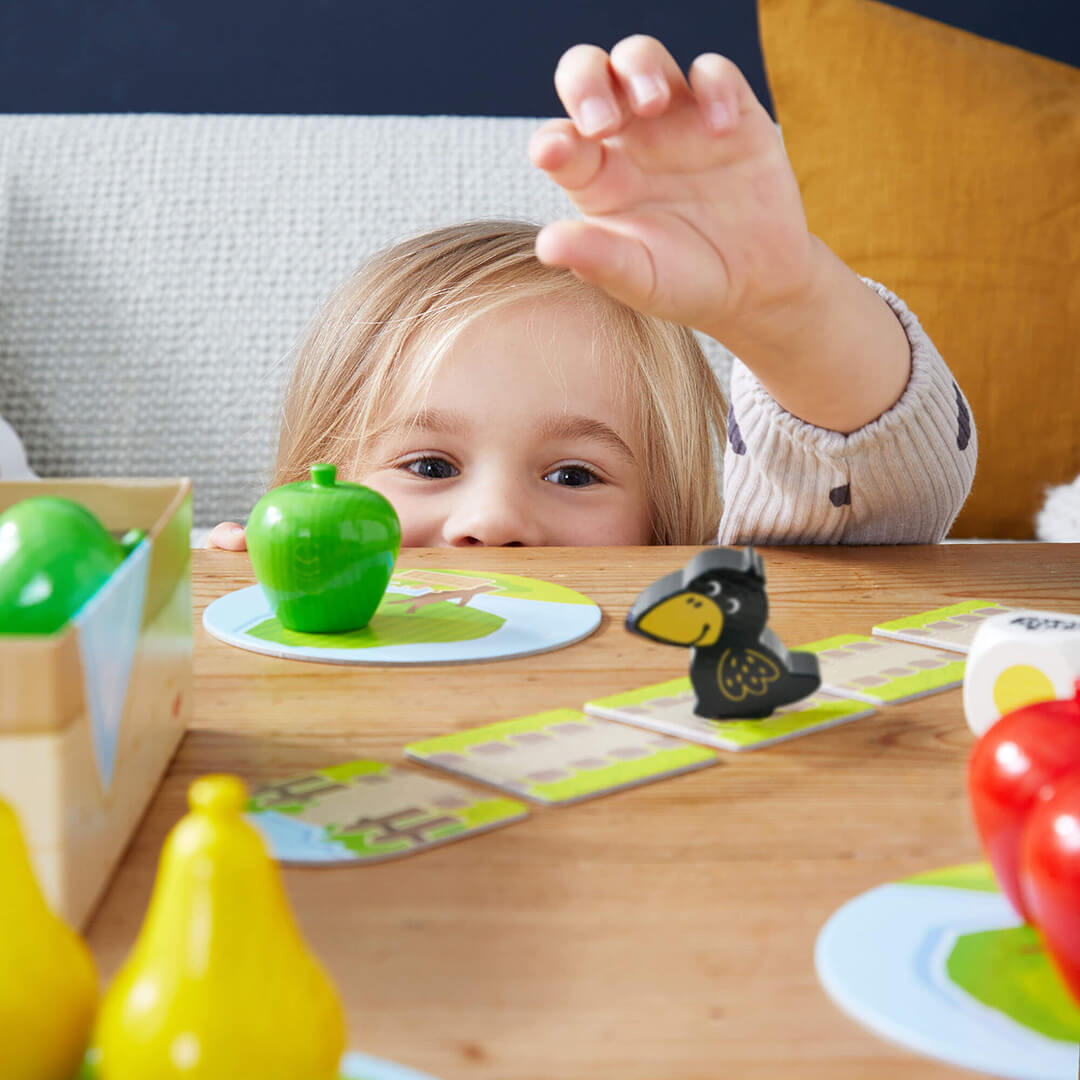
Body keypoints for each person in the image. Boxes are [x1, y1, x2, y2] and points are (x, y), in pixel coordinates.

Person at [208, 36, 975, 551]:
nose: (492, 522)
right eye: (431, 467)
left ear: (666, 531)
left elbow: (872, 498)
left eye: (575, 476)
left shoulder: (698, 606)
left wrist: (787, 310)